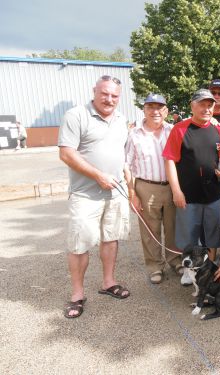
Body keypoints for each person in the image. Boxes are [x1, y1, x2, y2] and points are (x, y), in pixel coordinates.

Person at [58, 75, 130, 319]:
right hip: (85, 194)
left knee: (111, 238)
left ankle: (108, 282)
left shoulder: (121, 120)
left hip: (115, 192)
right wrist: (98, 175)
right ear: (95, 91)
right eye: (105, 93)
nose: (109, 99)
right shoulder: (76, 115)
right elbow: (67, 154)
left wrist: (126, 175)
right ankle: (77, 295)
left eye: (114, 96)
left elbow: (121, 152)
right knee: (79, 244)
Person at [163, 89, 220, 266]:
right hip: (188, 193)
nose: (206, 109)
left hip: (213, 192)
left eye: (209, 105)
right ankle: (188, 267)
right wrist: (176, 191)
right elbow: (169, 161)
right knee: (188, 234)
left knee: (213, 232)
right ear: (192, 106)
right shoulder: (180, 129)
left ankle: (211, 265)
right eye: (202, 105)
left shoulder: (217, 129)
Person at [125, 93, 182, 284]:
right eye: (151, 107)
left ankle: (175, 260)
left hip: (171, 186)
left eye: (159, 107)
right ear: (144, 109)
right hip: (146, 187)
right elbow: (127, 165)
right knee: (150, 231)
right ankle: (155, 266)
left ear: (165, 111)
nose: (155, 111)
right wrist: (132, 194)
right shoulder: (134, 134)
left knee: (173, 227)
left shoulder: (173, 130)